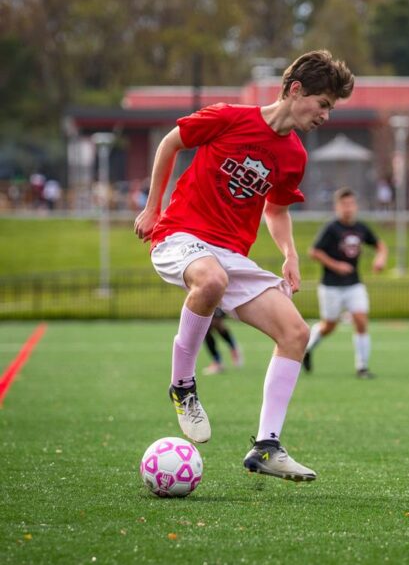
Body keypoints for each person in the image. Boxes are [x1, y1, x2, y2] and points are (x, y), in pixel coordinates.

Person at [133, 50, 354, 483]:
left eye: (331, 107)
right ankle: (182, 386)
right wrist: (152, 208)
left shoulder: (294, 156)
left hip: (229, 254)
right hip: (180, 235)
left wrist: (289, 254)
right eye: (323, 104)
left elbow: (275, 209)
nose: (326, 115)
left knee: (296, 332)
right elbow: (170, 142)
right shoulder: (230, 117)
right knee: (210, 279)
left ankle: (266, 447)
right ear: (295, 91)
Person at [303, 188, 387, 378]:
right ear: (337, 207)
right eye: (344, 205)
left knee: (361, 320)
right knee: (329, 326)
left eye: (351, 204)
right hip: (331, 285)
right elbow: (314, 251)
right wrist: (336, 265)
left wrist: (380, 259)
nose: (348, 208)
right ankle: (307, 349)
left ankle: (362, 367)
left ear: (355, 206)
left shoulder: (361, 228)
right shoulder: (331, 228)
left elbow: (380, 245)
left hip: (354, 284)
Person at [203, 308, 243, 375]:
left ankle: (233, 348)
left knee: (216, 324)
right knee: (207, 328)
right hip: (207, 300)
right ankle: (218, 361)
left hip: (216, 301)